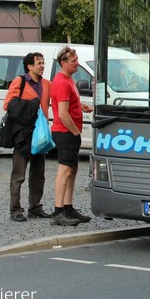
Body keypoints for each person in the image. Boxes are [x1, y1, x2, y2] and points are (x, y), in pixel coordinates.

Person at [4, 52, 51, 222]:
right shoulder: (20, 82)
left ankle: (35, 208)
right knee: (18, 174)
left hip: (40, 135)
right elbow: (8, 105)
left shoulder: (46, 84)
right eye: (39, 63)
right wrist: (31, 105)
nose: (42, 66)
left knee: (39, 174)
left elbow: (60, 98)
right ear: (29, 66)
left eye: (43, 62)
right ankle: (15, 210)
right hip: (24, 135)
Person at [50, 46, 93, 227]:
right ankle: (58, 211)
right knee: (64, 170)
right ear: (63, 63)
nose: (77, 64)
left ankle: (68, 207)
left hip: (69, 131)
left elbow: (68, 103)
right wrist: (75, 131)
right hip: (65, 132)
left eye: (77, 60)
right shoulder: (61, 82)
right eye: (73, 61)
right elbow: (62, 114)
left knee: (72, 169)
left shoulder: (69, 80)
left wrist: (80, 105)